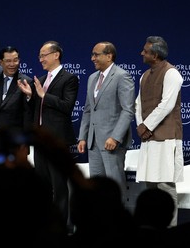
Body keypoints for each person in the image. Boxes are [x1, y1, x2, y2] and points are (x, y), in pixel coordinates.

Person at [18, 40, 79, 227]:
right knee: (43, 186)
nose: (40, 59)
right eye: (39, 56)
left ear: (56, 55)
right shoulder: (42, 81)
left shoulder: (69, 78)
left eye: (43, 55)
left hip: (57, 141)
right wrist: (30, 96)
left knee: (59, 186)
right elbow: (37, 109)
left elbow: (67, 106)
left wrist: (44, 95)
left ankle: (61, 226)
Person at [135, 36, 184, 227]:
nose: (142, 53)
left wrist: (146, 126)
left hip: (166, 138)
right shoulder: (144, 76)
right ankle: (154, 226)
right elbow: (138, 104)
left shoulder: (172, 73)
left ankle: (170, 227)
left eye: (145, 51)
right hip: (148, 138)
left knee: (165, 184)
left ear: (155, 54)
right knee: (151, 185)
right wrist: (141, 127)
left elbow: (167, 105)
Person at [77, 41, 135, 199]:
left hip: (112, 143)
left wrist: (116, 137)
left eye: (96, 54)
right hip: (93, 142)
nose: (92, 58)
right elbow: (88, 109)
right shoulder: (92, 78)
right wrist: (83, 136)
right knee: (96, 187)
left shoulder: (122, 76)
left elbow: (128, 110)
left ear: (109, 56)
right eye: (92, 55)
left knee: (114, 186)